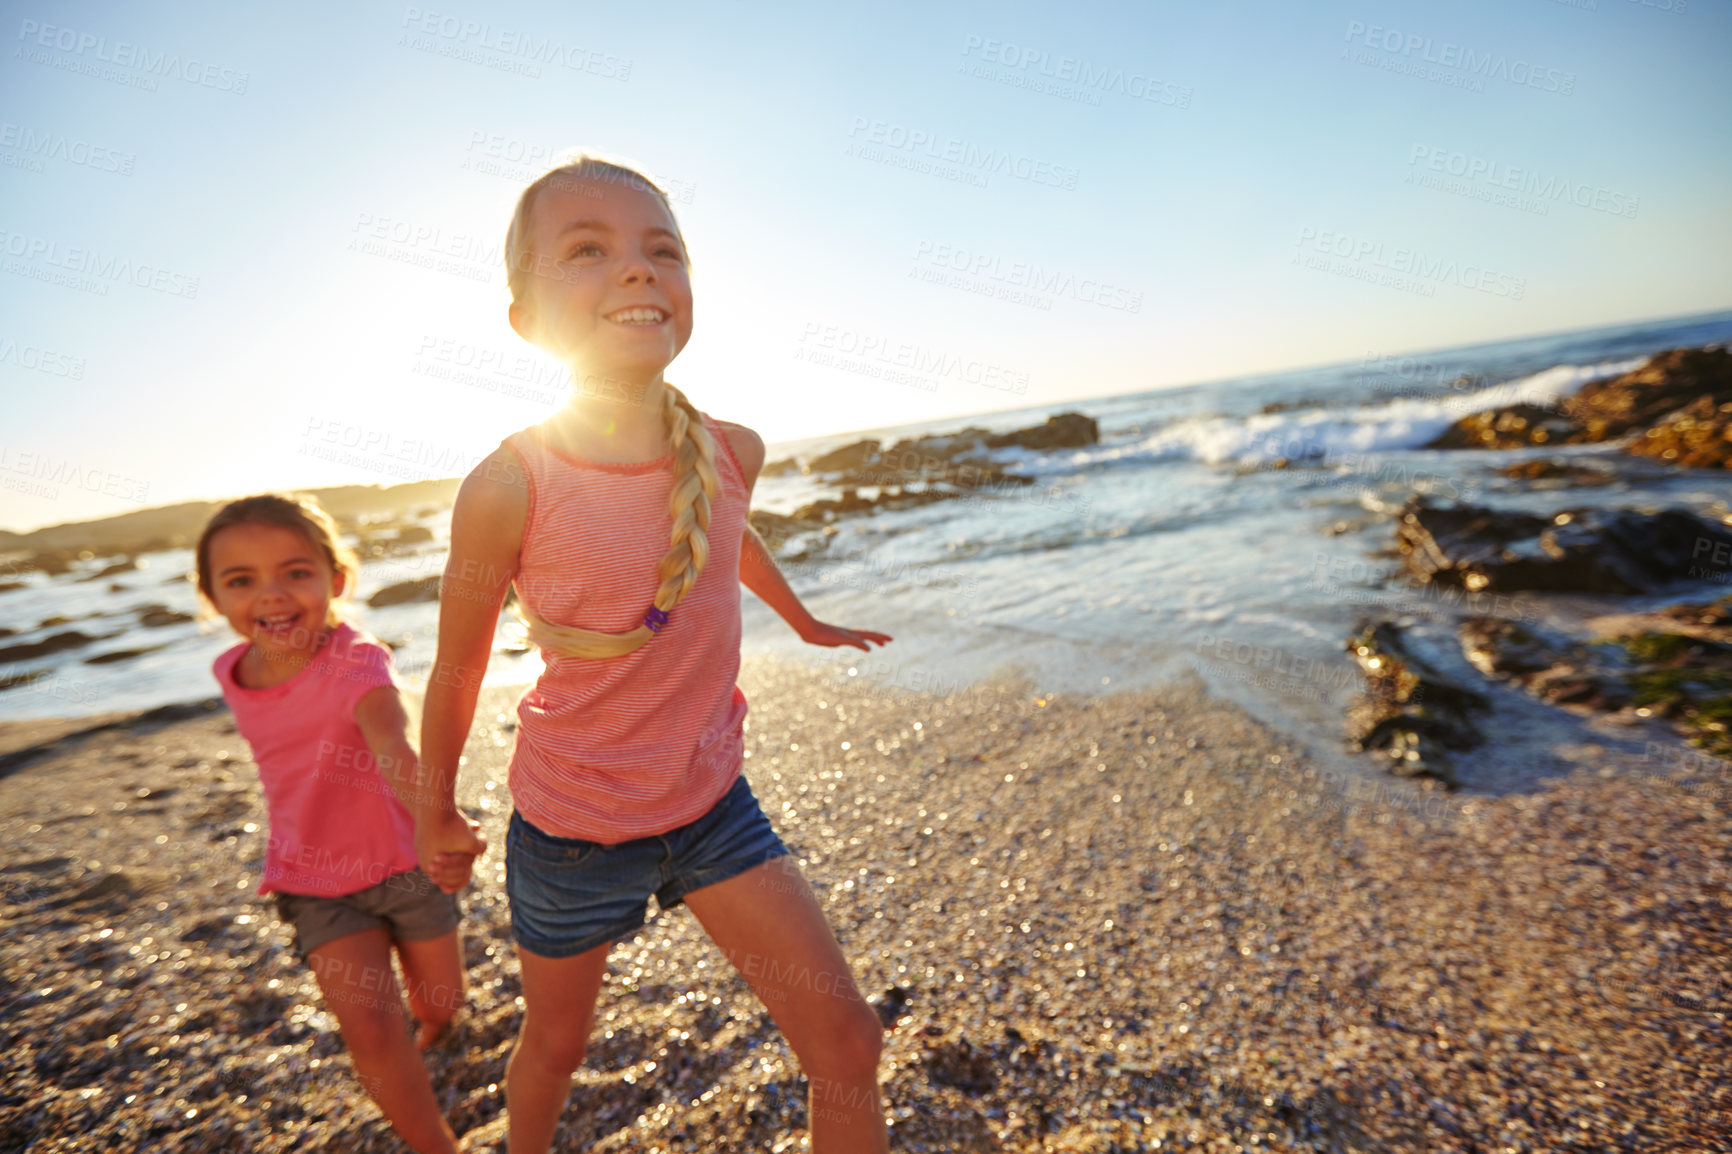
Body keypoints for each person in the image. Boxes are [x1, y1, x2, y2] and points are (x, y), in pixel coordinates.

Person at [413, 154, 894, 1153]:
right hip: (573, 825)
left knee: (846, 1040)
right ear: (524, 322)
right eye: (586, 251)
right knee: (554, 1042)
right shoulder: (508, 484)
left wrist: (803, 620)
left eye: (660, 250)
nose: (637, 271)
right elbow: (456, 665)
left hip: (713, 805)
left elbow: (721, 538)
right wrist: (435, 805)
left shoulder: (731, 450)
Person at [196, 493, 486, 1154]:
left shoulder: (358, 659)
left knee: (442, 1001)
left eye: (295, 572)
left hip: (409, 866)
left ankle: (437, 1025)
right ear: (212, 598)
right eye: (241, 581)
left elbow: (393, 747)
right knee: (373, 1033)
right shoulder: (229, 670)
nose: (271, 595)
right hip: (313, 881)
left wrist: (438, 821)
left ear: (338, 580)